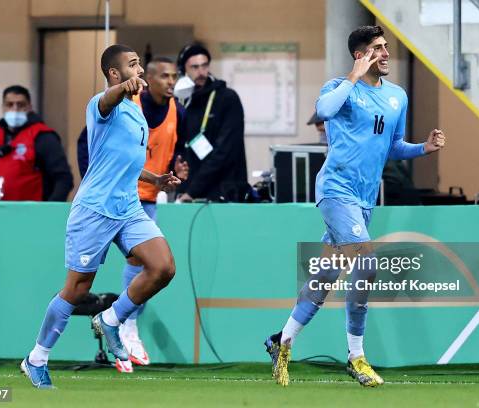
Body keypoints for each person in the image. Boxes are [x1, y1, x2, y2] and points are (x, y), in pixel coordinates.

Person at [264, 26, 446, 387]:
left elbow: (393, 146)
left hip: (365, 200)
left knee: (325, 277)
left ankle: (281, 342)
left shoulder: (397, 96)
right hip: (335, 190)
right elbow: (322, 111)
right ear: (360, 55)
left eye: (385, 47)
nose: (384, 53)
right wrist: (353, 75)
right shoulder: (339, 88)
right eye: (376, 49)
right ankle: (356, 356)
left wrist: (422, 148)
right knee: (367, 262)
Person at [21, 44, 180, 388]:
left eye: (139, 64)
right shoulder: (101, 105)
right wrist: (123, 88)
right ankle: (36, 358)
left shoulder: (137, 113)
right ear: (114, 73)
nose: (139, 70)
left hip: (128, 208)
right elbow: (109, 99)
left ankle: (111, 319)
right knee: (76, 289)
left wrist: (155, 178)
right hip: (94, 210)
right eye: (133, 65)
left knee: (163, 267)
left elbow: (126, 161)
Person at [77, 57, 188, 369]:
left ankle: (124, 323)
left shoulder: (178, 111)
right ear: (146, 78)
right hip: (108, 199)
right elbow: (87, 140)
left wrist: (178, 167)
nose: (170, 81)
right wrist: (94, 182)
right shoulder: (123, 99)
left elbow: (182, 148)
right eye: (163, 75)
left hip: (144, 196)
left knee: (154, 264)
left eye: (174, 76)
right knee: (78, 283)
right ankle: (40, 354)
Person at [0, 85, 73, 201]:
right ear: (3, 107)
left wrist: (49, 211)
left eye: (20, 105)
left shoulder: (43, 136)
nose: (15, 109)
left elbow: (63, 179)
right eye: (9, 104)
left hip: (30, 213)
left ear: (29, 107)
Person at [175, 43, 248, 202]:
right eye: (194, 67)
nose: (201, 72)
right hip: (187, 189)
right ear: (183, 71)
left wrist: (193, 191)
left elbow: (224, 151)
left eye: (204, 66)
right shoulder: (180, 101)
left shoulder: (227, 98)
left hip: (223, 190)